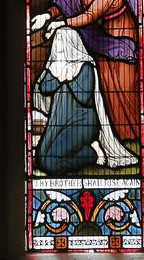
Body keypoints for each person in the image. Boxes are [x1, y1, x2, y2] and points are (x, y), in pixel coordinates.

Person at [31, 0, 140, 142]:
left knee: (124, 86)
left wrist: (61, 23)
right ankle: (120, 135)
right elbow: (61, 4)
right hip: (99, 41)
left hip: (120, 38)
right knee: (108, 88)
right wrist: (46, 16)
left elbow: (90, 15)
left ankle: (135, 132)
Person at [33, 27, 137, 174]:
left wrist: (69, 80)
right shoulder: (55, 66)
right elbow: (44, 88)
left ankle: (92, 153)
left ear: (72, 42)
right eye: (57, 41)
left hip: (83, 122)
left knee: (51, 162)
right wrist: (58, 78)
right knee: (41, 159)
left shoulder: (85, 66)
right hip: (58, 122)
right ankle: (87, 151)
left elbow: (84, 97)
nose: (58, 45)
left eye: (62, 40)